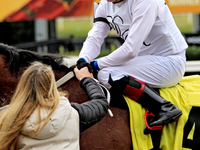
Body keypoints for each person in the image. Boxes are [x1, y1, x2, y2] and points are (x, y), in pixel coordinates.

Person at [76, 0, 188, 130]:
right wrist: (82, 59)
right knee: (103, 71)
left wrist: (95, 65)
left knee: (106, 74)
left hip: (170, 62)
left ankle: (163, 107)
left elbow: (130, 50)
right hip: (143, 61)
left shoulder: (145, 2)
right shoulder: (104, 5)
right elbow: (95, 37)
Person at [0, 62, 108, 150]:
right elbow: (100, 103)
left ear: (22, 86)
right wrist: (86, 79)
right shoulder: (73, 113)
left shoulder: (8, 119)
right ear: (52, 85)